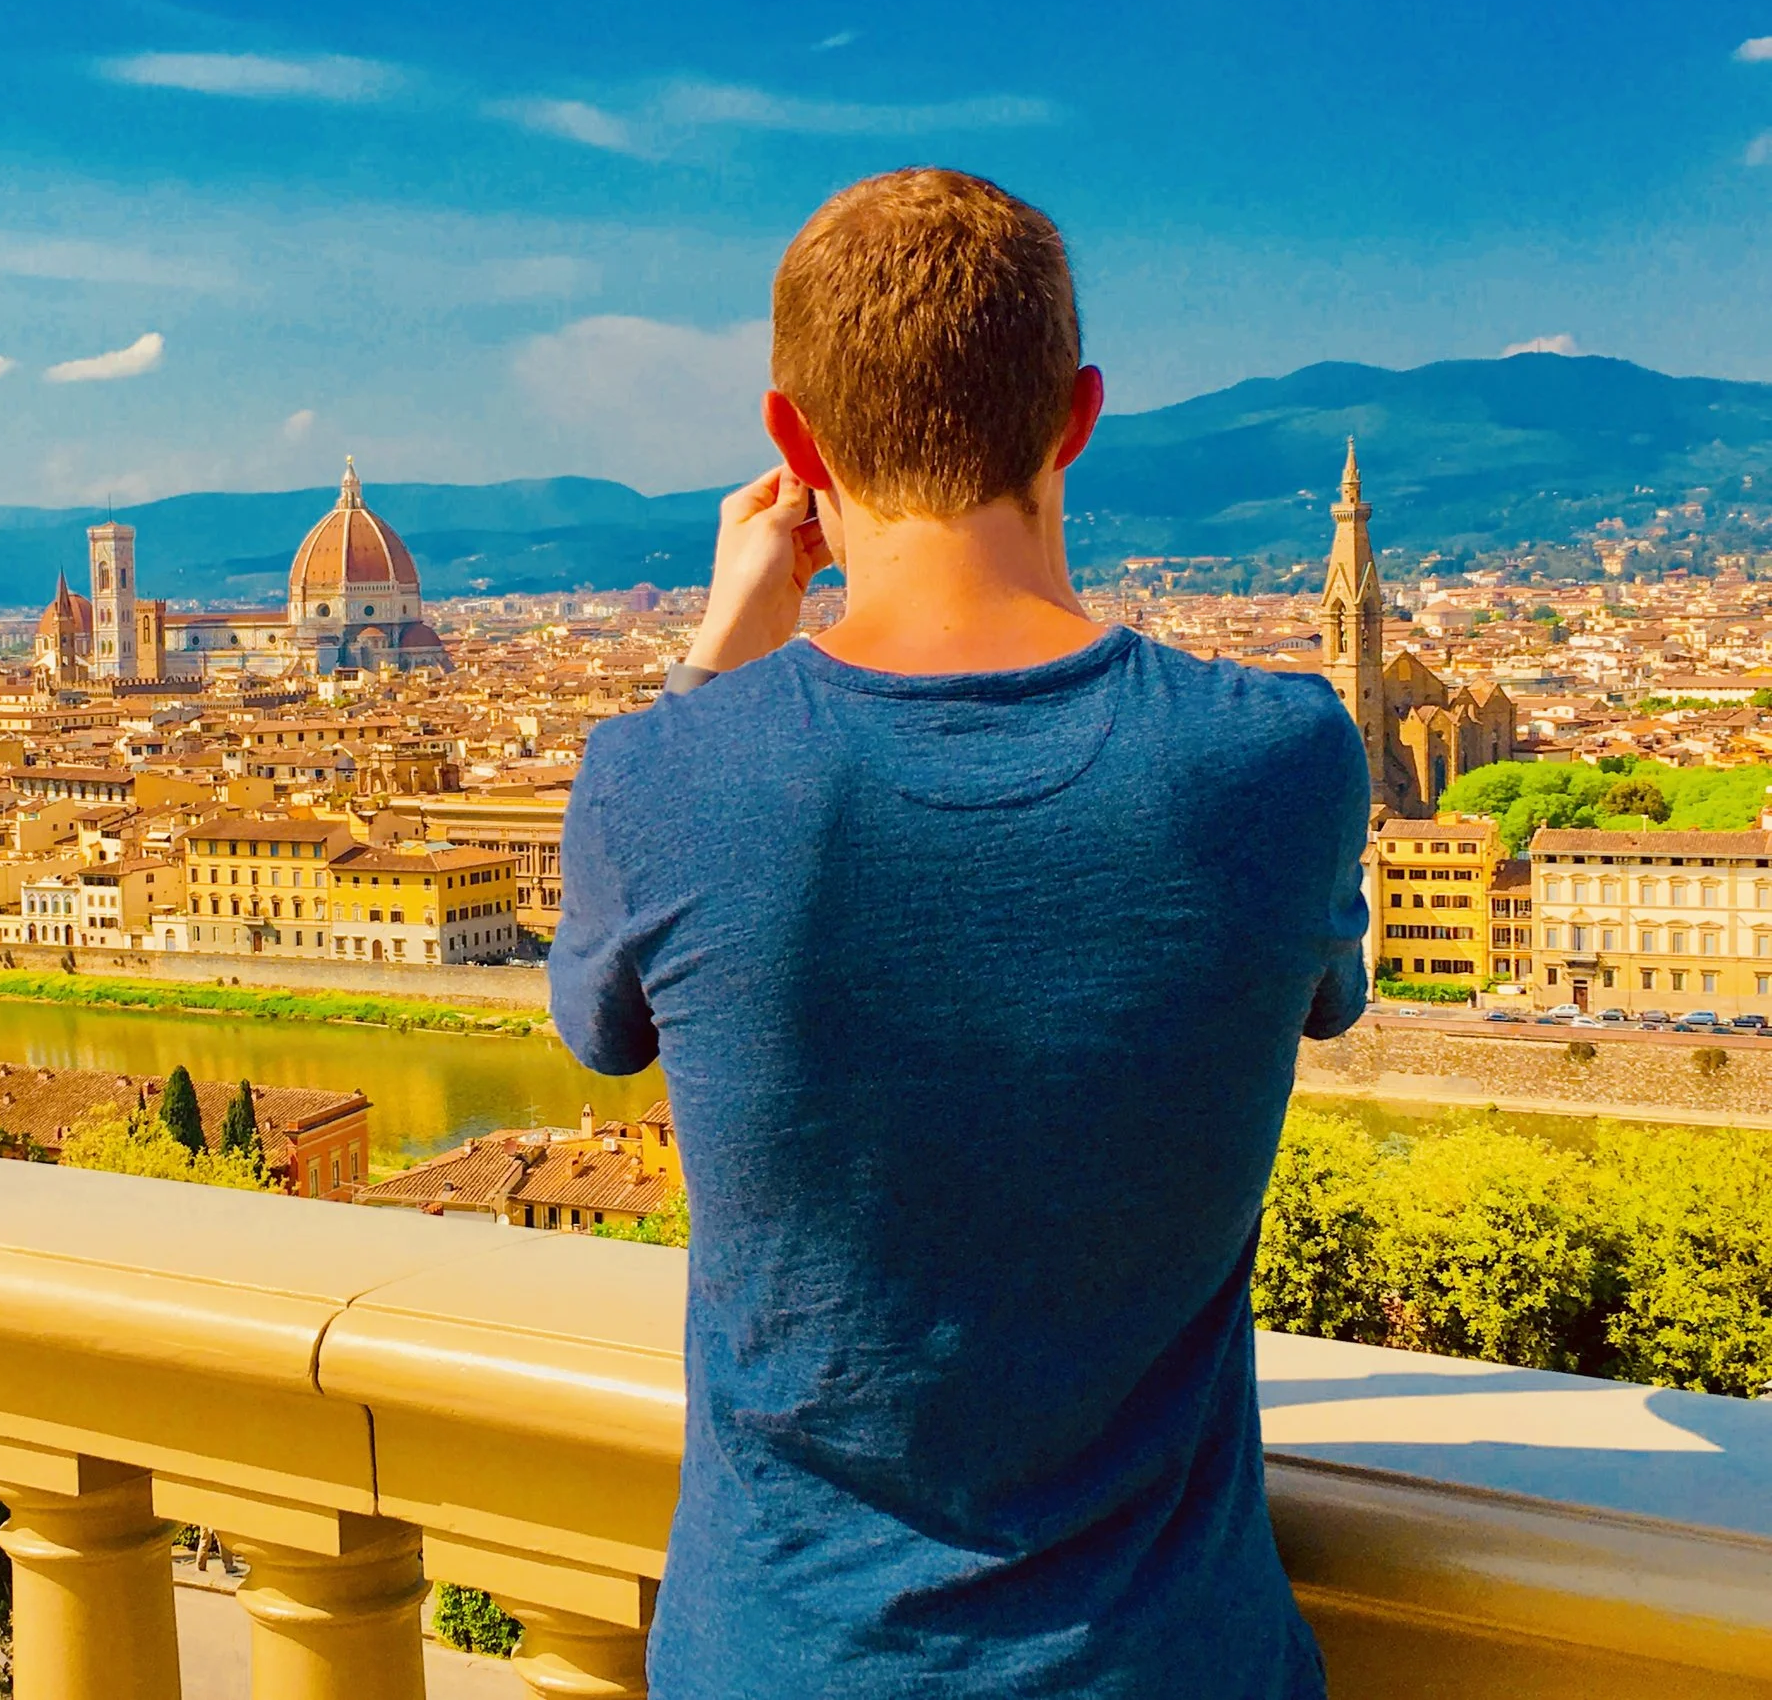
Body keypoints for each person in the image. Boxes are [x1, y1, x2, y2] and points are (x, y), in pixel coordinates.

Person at [550, 169, 1369, 1699]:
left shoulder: (659, 776)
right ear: (1077, 416)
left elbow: (598, 1021)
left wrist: (723, 650)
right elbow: (1324, 995)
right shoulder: (1281, 760)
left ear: (792, 442)